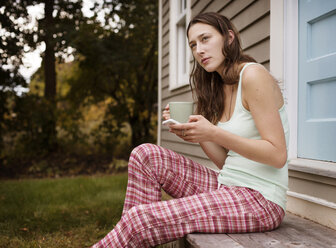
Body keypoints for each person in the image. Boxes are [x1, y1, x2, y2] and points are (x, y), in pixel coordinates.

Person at [92, 12, 289, 248]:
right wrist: (195, 134)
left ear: (229, 38)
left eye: (205, 39)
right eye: (193, 45)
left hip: (260, 201)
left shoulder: (253, 75)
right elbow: (228, 163)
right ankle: (130, 238)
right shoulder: (218, 86)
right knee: (145, 155)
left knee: (140, 218)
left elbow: (277, 155)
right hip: (226, 184)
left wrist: (214, 133)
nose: (199, 50)